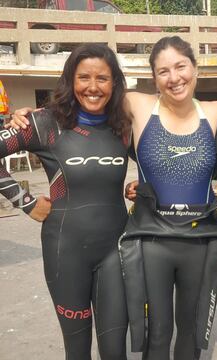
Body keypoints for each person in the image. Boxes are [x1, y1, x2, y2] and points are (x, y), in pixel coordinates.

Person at [9, 36, 217, 360]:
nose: (174, 77)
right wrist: (32, 118)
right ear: (154, 77)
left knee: (189, 333)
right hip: (152, 241)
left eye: (180, 67)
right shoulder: (136, 104)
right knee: (157, 333)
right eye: (163, 71)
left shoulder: (216, 111)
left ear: (195, 69)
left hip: (201, 240)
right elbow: (87, 101)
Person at [0, 43, 130, 360]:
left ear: (114, 83)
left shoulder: (125, 125)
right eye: (84, 77)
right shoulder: (44, 123)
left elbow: (159, 160)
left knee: (115, 351)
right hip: (65, 251)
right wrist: (25, 201)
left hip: (115, 251)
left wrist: (146, 186)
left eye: (103, 78)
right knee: (78, 351)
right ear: (71, 80)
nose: (93, 87)